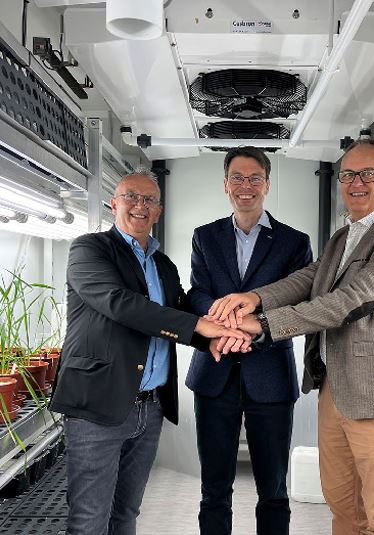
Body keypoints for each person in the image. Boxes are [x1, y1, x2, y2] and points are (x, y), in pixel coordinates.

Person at [209, 140, 374, 535]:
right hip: (336, 391)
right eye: (348, 175)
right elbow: (308, 279)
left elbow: (351, 300)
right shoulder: (344, 237)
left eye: (368, 174)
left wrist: (265, 323)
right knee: (344, 508)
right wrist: (254, 298)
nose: (356, 183)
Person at [50, 169, 249, 535]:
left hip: (150, 407)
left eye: (149, 200)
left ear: (159, 210)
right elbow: (120, 304)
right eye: (131, 196)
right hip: (97, 405)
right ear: (114, 203)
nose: (139, 205)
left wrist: (213, 336)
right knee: (89, 520)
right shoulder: (89, 249)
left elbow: (180, 309)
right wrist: (200, 326)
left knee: (126, 514)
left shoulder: (163, 265)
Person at [185, 146, 313, 535]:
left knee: (273, 490)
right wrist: (226, 328)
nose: (246, 186)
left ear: (267, 184)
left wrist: (245, 329)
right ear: (225, 184)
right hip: (214, 374)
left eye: (255, 178)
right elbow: (198, 293)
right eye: (237, 178)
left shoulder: (294, 242)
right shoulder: (205, 236)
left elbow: (298, 301)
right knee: (214, 490)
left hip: (270, 375)